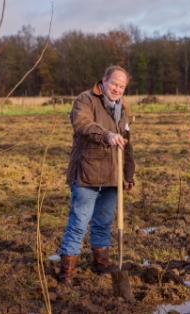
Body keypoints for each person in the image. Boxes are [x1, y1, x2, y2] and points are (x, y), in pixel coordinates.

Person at [58, 66, 135, 285]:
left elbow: (127, 145)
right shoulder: (85, 100)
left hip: (113, 177)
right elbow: (82, 125)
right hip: (86, 174)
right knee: (79, 224)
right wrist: (106, 134)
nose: (117, 89)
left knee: (103, 224)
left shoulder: (124, 109)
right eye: (114, 84)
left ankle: (101, 267)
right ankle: (66, 277)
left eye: (122, 86)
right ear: (104, 81)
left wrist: (128, 175)